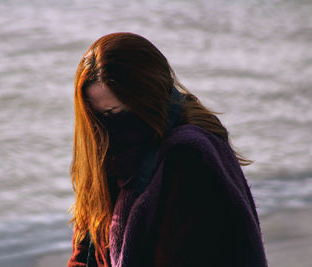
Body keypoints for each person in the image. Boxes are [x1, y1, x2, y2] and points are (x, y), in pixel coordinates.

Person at [67, 32, 268, 267]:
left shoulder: (188, 156)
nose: (108, 126)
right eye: (99, 115)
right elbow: (85, 249)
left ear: (146, 96)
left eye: (116, 111)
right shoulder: (112, 158)